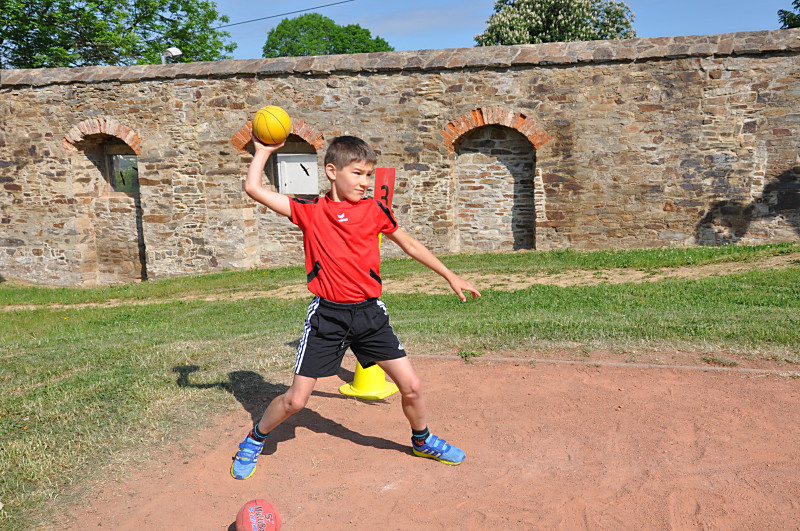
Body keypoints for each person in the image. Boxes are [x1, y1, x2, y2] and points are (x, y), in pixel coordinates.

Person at [231, 133, 481, 480]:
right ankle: (255, 438)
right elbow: (254, 189)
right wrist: (262, 152)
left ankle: (422, 440)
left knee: (412, 386)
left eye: (369, 175)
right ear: (332, 172)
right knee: (296, 401)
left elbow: (408, 243)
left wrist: (450, 275)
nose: (365, 182)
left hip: (369, 314)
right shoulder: (310, 211)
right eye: (358, 174)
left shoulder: (375, 210)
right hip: (328, 317)